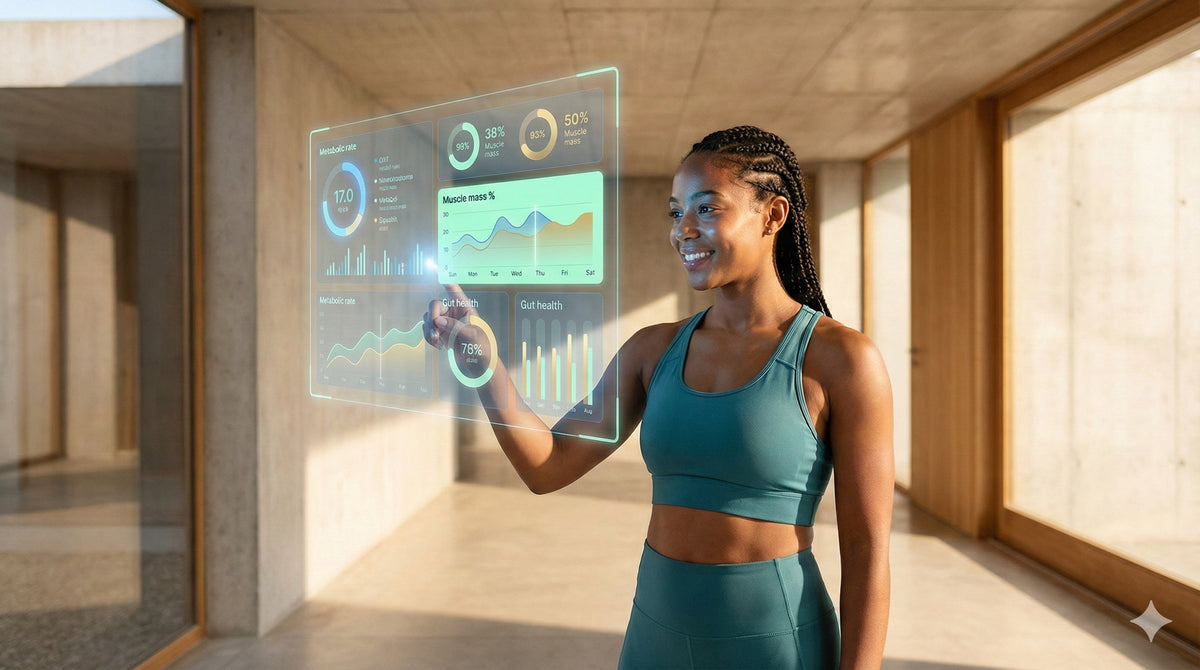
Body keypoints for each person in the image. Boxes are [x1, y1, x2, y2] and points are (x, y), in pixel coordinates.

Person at [424, 125, 893, 669]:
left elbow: (867, 551)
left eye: (706, 209)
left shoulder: (843, 360)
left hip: (775, 644)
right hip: (654, 638)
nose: (683, 230)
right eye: (675, 213)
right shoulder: (652, 351)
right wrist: (484, 364)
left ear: (773, 215)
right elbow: (548, 466)